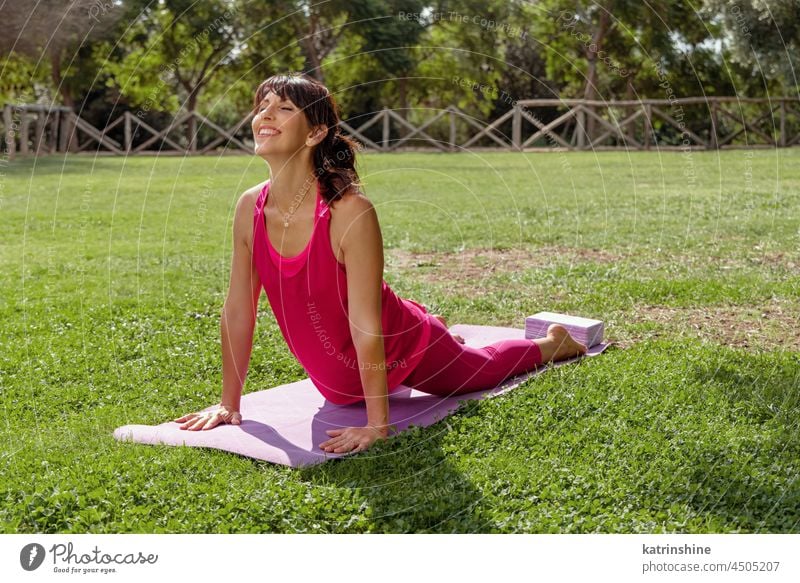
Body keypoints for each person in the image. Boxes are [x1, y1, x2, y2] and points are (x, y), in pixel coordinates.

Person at [174, 72, 588, 454]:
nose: (265, 114)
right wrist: (229, 404)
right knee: (344, 389)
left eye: (283, 108)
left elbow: (365, 325)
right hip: (339, 381)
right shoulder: (250, 207)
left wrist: (377, 424)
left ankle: (551, 343)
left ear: (316, 132)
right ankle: (435, 323)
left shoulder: (349, 213)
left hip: (399, 347)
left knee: (478, 372)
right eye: (261, 106)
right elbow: (238, 310)